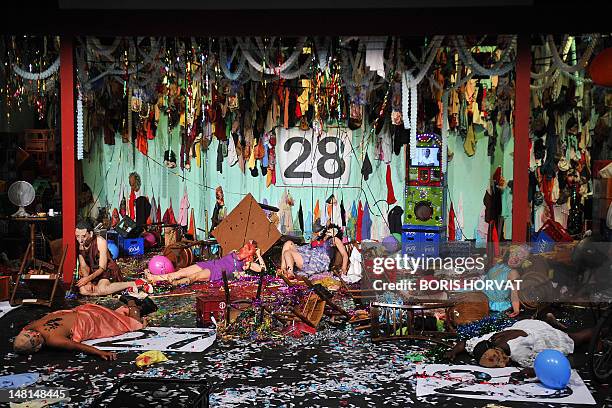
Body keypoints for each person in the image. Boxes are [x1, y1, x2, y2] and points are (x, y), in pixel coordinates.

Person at [444, 317, 595, 378]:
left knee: (576, 339)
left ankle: (600, 331)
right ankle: (554, 323)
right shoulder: (484, 343)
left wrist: (533, 371)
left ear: (500, 352)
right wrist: (453, 351)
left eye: (497, 359)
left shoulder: (518, 352)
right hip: (525, 324)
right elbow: (465, 344)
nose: (500, 364)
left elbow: (542, 365)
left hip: (539, 335)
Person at [12, 298, 156, 360]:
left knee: (130, 325)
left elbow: (77, 346)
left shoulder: (49, 337)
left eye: (30, 335)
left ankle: (132, 304)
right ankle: (135, 307)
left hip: (87, 320)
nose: (34, 335)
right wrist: (100, 352)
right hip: (83, 313)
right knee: (113, 317)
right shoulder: (39, 330)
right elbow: (77, 346)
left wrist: (100, 352)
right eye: (32, 339)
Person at [75, 219, 151, 296]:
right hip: (92, 272)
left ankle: (133, 283)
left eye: (83, 236)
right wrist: (88, 282)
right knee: (83, 291)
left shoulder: (100, 241)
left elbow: (102, 267)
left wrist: (88, 279)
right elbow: (84, 266)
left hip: (106, 271)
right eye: (77, 236)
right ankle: (102, 291)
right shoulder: (80, 245)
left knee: (102, 289)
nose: (80, 240)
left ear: (90, 234)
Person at [145, 240, 266, 285]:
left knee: (194, 277)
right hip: (211, 263)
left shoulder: (246, 265)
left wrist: (259, 255)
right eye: (245, 246)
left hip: (217, 272)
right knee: (182, 271)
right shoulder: (234, 252)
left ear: (251, 255)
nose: (244, 249)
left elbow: (263, 269)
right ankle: (156, 278)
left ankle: (176, 283)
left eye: (248, 249)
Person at [280, 224, 349, 279]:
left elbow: (344, 255)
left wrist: (344, 268)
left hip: (315, 262)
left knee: (288, 252)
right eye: (330, 229)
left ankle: (290, 272)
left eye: (334, 230)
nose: (331, 230)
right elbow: (308, 246)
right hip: (307, 254)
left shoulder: (334, 240)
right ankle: (283, 269)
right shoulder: (319, 239)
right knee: (288, 243)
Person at [482, 245, 530, 318]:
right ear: (510, 253)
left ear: (523, 263)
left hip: (495, 307)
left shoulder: (513, 273)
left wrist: (516, 310)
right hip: (483, 298)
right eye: (515, 254)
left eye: (520, 259)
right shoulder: (500, 264)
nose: (515, 259)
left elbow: (514, 293)